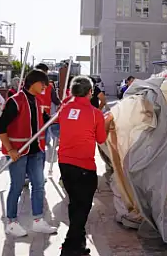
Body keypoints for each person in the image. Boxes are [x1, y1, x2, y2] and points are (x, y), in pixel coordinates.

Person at [0, 69, 58, 237]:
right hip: (19, 152)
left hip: (35, 151)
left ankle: (38, 220)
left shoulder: (37, 102)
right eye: (43, 84)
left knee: (38, 185)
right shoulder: (15, 101)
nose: (45, 87)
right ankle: (12, 222)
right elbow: (0, 126)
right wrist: (10, 150)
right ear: (34, 83)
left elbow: (46, 120)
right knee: (16, 186)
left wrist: (59, 115)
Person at [57, 76, 113, 256]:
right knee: (83, 206)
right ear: (90, 92)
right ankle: (69, 246)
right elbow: (101, 139)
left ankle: (78, 245)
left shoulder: (64, 109)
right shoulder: (95, 113)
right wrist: (107, 123)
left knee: (75, 204)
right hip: (83, 165)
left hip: (64, 163)